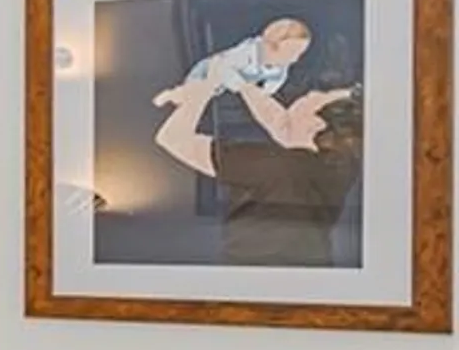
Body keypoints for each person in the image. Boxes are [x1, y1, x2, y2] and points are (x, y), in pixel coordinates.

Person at [153, 71, 361, 267]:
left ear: (316, 126)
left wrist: (204, 89)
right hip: (307, 279)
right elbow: (275, 119)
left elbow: (172, 138)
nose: (291, 107)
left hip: (256, 282)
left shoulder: (275, 165)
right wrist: (244, 85)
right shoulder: (341, 167)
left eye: (306, 101)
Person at [155, 16, 313, 111]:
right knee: (194, 91)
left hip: (226, 83)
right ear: (270, 48)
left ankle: (185, 100)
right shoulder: (246, 54)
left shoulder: (280, 68)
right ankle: (173, 95)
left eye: (298, 54)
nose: (295, 59)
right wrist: (242, 87)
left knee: (207, 95)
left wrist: (263, 94)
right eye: (291, 54)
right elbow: (224, 67)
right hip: (210, 69)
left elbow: (275, 83)